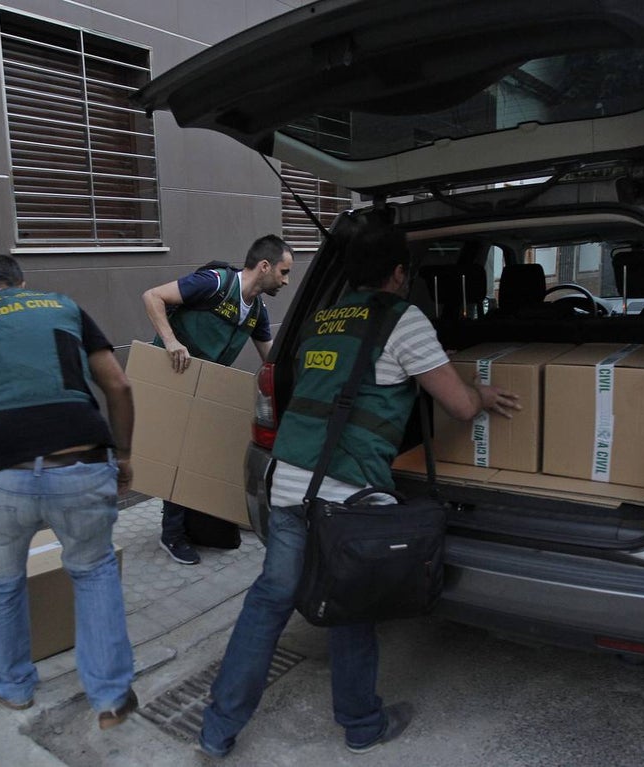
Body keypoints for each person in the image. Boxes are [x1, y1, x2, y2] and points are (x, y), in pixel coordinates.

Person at [197, 222, 522, 757]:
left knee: (269, 602)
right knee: (351, 602)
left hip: (286, 483)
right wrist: (483, 394)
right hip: (346, 495)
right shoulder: (403, 319)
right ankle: (361, 724)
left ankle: (217, 729)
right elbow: (459, 406)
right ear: (399, 273)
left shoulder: (322, 319)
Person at [0, 254, 137, 723]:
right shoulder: (63, 307)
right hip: (81, 461)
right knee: (94, 571)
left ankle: (11, 686)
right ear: (22, 284)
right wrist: (124, 454)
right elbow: (118, 386)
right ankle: (112, 697)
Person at [142, 235, 294, 565]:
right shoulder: (213, 283)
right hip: (175, 374)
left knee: (205, 449)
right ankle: (172, 534)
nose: (285, 280)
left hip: (207, 384)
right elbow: (152, 297)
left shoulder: (256, 311)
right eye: (283, 272)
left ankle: (215, 516)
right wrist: (171, 343)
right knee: (179, 452)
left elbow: (270, 360)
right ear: (264, 266)